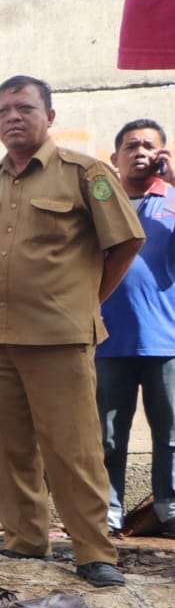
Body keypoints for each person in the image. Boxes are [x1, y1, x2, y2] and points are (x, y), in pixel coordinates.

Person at [0, 75, 144, 586]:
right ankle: (25, 544)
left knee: (74, 447)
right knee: (8, 446)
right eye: (3, 111)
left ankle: (94, 552)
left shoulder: (86, 173)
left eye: (24, 108)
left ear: (50, 116)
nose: (12, 117)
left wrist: (87, 302)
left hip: (58, 335)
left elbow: (128, 242)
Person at [96, 119, 175, 536]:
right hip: (108, 341)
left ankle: (169, 510)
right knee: (108, 436)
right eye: (131, 145)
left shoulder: (173, 203)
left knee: (172, 433)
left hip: (166, 341)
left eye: (149, 146)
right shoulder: (101, 206)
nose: (140, 152)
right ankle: (108, 513)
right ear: (115, 158)